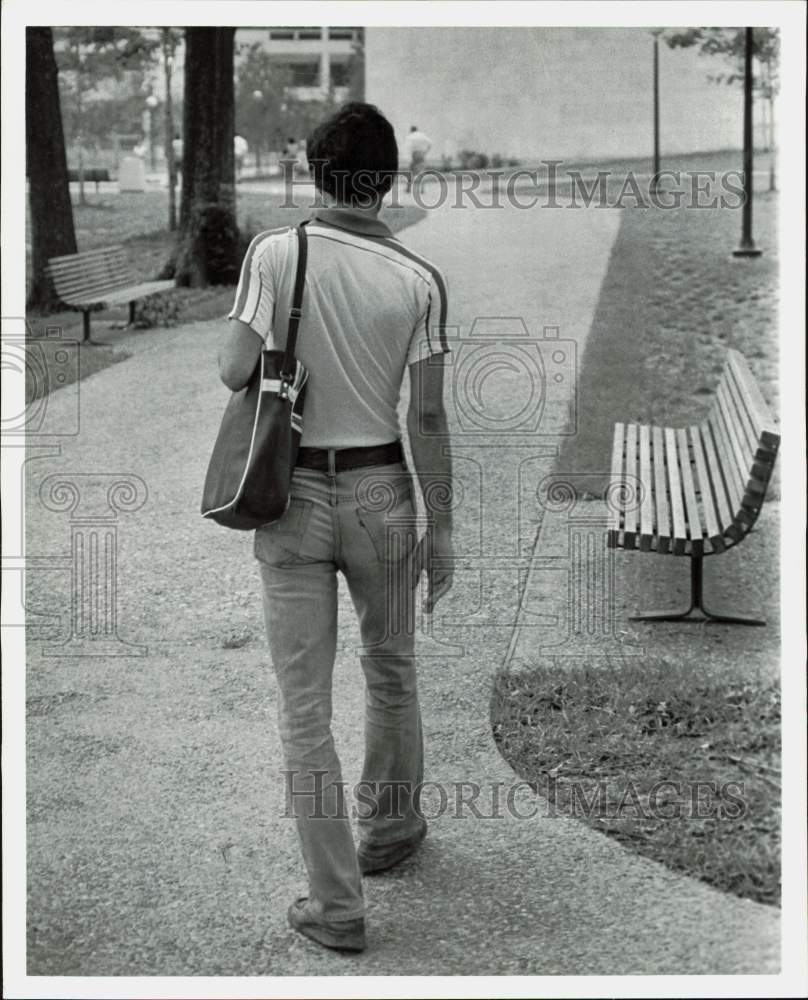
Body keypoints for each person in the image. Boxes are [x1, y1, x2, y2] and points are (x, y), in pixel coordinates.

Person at [218, 103, 454, 953]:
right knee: (392, 670)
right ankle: (390, 831)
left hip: (292, 499)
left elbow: (234, 368)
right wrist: (446, 528)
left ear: (314, 174)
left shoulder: (279, 253)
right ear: (388, 180)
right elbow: (426, 415)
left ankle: (338, 907)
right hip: (385, 489)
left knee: (304, 708)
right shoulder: (421, 278)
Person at [402, 124, 432, 192]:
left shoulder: (410, 136)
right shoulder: (422, 135)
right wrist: (425, 152)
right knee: (421, 172)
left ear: (411, 130)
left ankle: (408, 188)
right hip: (422, 154)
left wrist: (408, 158)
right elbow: (430, 143)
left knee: (410, 171)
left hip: (414, 154)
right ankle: (422, 189)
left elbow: (408, 148)